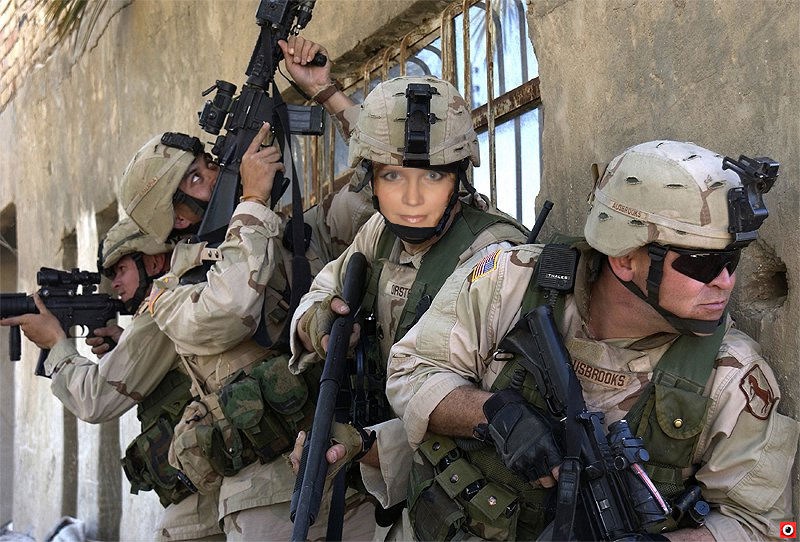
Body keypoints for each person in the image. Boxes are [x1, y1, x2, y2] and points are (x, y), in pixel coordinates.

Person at [386, 140, 799, 541]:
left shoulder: (731, 375)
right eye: (701, 263)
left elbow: (770, 528)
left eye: (731, 260)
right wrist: (495, 415)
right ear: (625, 258)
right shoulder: (509, 283)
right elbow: (410, 372)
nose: (725, 282)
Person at [287, 73, 529, 538]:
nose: (412, 198)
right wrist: (319, 324)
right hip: (397, 486)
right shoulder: (379, 234)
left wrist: (367, 444)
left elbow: (489, 416)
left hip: (468, 502)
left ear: (459, 178)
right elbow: (322, 290)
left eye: (433, 176)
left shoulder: (494, 257)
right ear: (369, 180)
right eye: (393, 176)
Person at [118, 121, 376, 540]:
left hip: (353, 471)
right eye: (196, 178)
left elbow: (382, 185)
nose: (217, 175)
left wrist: (329, 96)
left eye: (209, 164)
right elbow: (233, 308)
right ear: (179, 217)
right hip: (268, 500)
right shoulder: (169, 295)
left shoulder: (291, 235)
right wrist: (253, 201)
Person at [0, 217, 224, 541]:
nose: (115, 284)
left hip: (211, 477)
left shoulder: (161, 310)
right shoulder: (171, 303)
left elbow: (95, 402)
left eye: (121, 270)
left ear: (153, 262)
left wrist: (55, 343)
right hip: (204, 470)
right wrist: (123, 347)